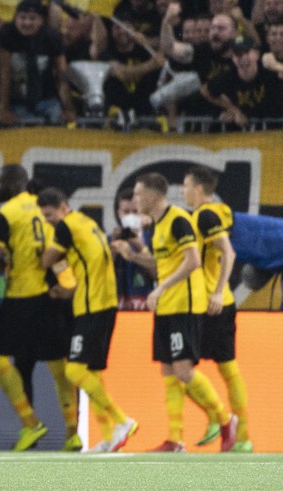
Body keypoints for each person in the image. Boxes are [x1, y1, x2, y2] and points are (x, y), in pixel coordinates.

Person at [127, 172, 237, 452]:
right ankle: (175, 440)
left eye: (139, 194)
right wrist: (133, 257)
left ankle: (226, 420)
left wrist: (160, 288)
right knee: (168, 370)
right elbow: (165, 263)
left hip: (185, 305)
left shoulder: (177, 219)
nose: (134, 200)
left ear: (153, 196)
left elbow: (194, 261)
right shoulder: (157, 225)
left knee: (184, 371)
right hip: (166, 305)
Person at [0, 165, 78, 451]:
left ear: (11, 184)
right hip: (52, 294)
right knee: (59, 367)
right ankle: (73, 433)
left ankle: (30, 423)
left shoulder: (7, 213)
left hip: (21, 295)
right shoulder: (42, 208)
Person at [38, 187, 138, 453]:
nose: (49, 221)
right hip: (104, 302)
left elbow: (47, 259)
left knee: (74, 371)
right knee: (92, 373)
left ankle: (121, 420)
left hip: (92, 305)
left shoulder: (65, 226)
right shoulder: (87, 222)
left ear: (62, 207)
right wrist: (67, 290)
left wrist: (42, 246)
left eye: (49, 215)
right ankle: (108, 438)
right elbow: (89, 263)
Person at [182, 165, 253, 453]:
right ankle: (222, 419)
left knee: (216, 371)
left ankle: (239, 434)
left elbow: (229, 253)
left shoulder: (206, 215)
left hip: (214, 304)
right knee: (181, 369)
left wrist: (215, 291)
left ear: (199, 189)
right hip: (203, 303)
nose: (183, 191)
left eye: (186, 186)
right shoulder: (211, 213)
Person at [0, 0, 75, 125]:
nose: (27, 23)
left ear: (41, 20)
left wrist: (68, 108)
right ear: (15, 18)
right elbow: (4, 74)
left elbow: (62, 75)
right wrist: (4, 108)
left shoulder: (52, 38)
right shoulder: (5, 36)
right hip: (18, 100)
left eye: (32, 18)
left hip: (48, 98)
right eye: (22, 18)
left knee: (59, 127)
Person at [203, 36, 283, 126]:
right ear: (233, 58)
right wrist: (234, 111)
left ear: (256, 54)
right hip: (245, 132)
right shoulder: (228, 77)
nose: (243, 58)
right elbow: (206, 90)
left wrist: (276, 66)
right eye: (238, 54)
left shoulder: (269, 73)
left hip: (275, 127)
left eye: (247, 52)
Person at [109, 188, 155, 310]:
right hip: (118, 307)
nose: (130, 216)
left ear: (143, 213)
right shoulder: (110, 239)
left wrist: (141, 248)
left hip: (145, 306)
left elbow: (158, 274)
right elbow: (101, 274)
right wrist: (113, 247)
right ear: (119, 213)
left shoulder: (152, 238)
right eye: (126, 211)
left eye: (135, 211)